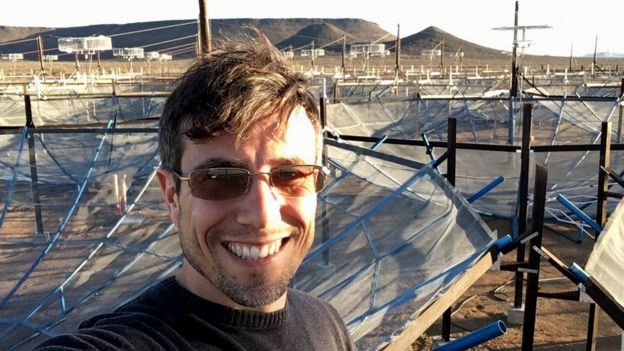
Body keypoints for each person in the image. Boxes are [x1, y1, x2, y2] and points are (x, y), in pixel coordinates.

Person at [34, 31, 355, 350]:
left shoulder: (327, 324)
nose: (262, 215)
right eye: (219, 178)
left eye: (290, 175)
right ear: (172, 196)